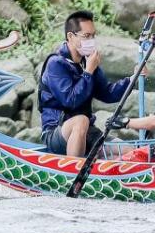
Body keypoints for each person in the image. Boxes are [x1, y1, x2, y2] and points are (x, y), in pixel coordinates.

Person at [38, 10, 140, 157]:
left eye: (93, 36)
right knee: (81, 121)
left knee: (129, 152)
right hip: (56, 131)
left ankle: (101, 174)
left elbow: (108, 94)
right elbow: (70, 100)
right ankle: (73, 172)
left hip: (87, 132)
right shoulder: (56, 64)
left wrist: (133, 79)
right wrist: (88, 72)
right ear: (70, 36)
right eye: (86, 36)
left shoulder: (87, 62)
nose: (91, 40)